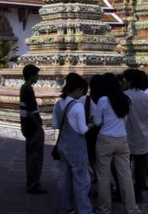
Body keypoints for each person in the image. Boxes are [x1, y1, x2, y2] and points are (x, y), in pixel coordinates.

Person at [92, 73, 140, 214]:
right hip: (122, 139)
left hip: (105, 139)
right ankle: (132, 208)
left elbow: (97, 122)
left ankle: (104, 208)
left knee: (103, 175)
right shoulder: (127, 99)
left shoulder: (103, 100)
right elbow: (126, 118)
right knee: (125, 175)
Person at [52, 73, 94, 214]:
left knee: (64, 178)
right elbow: (83, 130)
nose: (83, 94)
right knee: (81, 180)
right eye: (82, 90)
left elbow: (54, 124)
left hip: (62, 145)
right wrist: (92, 125)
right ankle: (84, 210)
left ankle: (64, 208)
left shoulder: (58, 103)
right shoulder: (77, 106)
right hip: (76, 147)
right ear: (77, 89)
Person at [122, 69, 148, 203]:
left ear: (129, 81)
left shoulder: (123, 96)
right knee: (141, 166)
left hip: (125, 136)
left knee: (124, 167)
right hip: (142, 134)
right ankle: (138, 194)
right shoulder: (146, 97)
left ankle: (125, 193)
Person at [19, 64, 46, 194]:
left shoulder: (24, 88)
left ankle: (32, 182)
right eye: (36, 74)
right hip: (32, 127)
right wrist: (38, 125)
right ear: (31, 75)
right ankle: (33, 184)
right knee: (35, 157)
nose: (38, 76)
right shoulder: (28, 90)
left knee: (31, 155)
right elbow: (30, 111)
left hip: (27, 127)